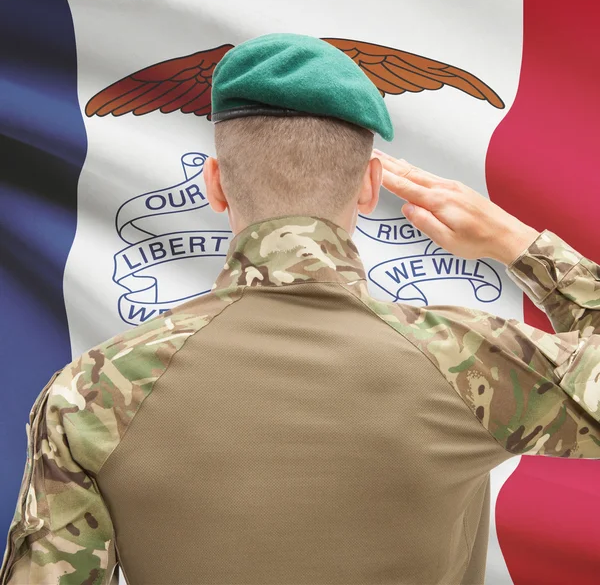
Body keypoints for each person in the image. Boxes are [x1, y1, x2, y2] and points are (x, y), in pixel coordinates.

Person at [1, 32, 599, 585]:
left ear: (215, 183)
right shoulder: (473, 362)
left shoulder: (92, 392)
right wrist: (520, 246)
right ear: (369, 186)